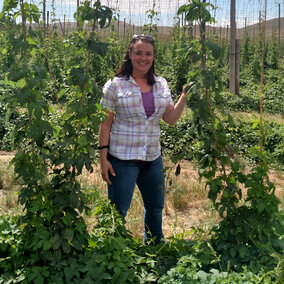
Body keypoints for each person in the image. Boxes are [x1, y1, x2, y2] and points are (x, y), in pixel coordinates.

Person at [98, 34, 192, 244]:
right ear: (130, 54)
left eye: (148, 54)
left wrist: (183, 97)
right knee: (118, 209)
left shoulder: (161, 83)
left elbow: (169, 118)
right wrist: (103, 160)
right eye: (138, 53)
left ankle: (154, 244)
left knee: (156, 206)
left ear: (153, 56)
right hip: (122, 158)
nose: (143, 58)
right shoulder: (115, 85)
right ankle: (112, 248)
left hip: (152, 157)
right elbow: (105, 124)